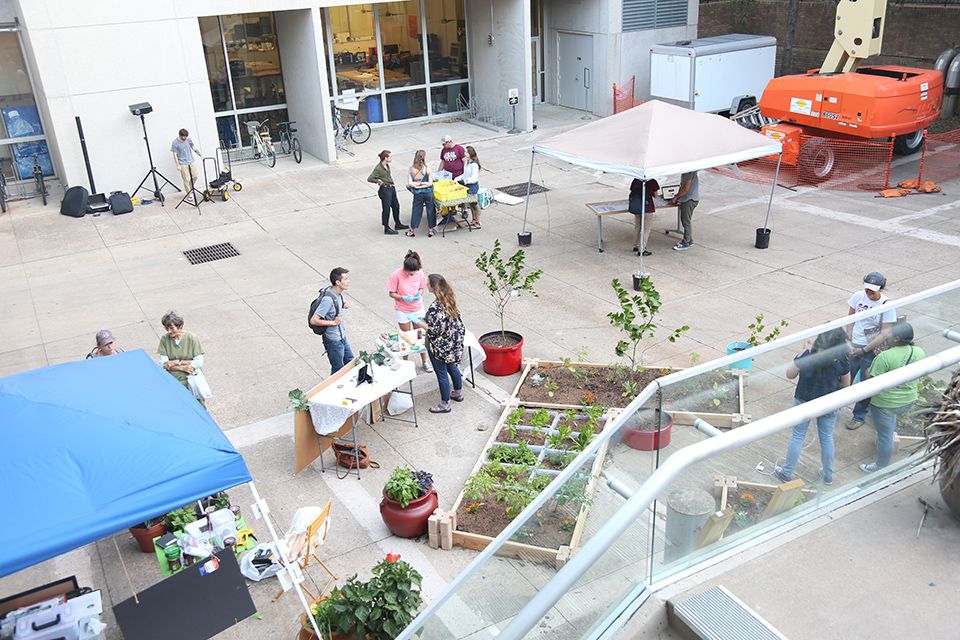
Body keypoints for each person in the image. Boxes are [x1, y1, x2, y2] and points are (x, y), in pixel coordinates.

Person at [774, 328, 851, 486]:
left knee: (798, 436)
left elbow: (790, 374)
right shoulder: (843, 359)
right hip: (829, 403)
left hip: (804, 400)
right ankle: (828, 475)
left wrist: (803, 351)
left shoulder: (808, 355)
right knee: (827, 438)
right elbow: (846, 384)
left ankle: (787, 472)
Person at [860, 323, 925, 473]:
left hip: (885, 403)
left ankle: (881, 467)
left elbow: (872, 379)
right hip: (908, 398)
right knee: (888, 429)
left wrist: (867, 372)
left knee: (885, 436)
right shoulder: (919, 351)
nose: (886, 336)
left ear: (896, 339)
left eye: (890, 335)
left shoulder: (885, 356)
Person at [845, 271, 898, 430]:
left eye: (872, 290)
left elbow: (886, 332)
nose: (868, 292)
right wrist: (849, 338)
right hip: (854, 343)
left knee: (865, 383)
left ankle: (859, 415)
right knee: (845, 376)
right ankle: (833, 408)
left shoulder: (887, 305)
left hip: (871, 349)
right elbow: (850, 317)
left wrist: (864, 349)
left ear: (881, 288)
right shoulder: (857, 296)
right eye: (867, 288)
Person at [412, 274, 465, 414]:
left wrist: (418, 322)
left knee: (441, 373)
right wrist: (427, 318)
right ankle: (458, 392)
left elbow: (435, 330)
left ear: (433, 287)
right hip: (452, 344)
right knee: (452, 366)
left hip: (439, 346)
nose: (426, 285)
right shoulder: (449, 299)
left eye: (428, 283)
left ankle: (445, 404)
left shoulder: (436, 307)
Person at [387, 250, 432, 373]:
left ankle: (424, 361)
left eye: (414, 273)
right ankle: (405, 362)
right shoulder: (396, 275)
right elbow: (391, 293)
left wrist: (419, 294)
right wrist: (402, 297)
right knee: (405, 336)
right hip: (403, 309)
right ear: (405, 269)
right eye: (409, 273)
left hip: (417, 308)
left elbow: (421, 287)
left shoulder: (419, 272)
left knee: (420, 335)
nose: (412, 275)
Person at [157, 311, 207, 405]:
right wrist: (183, 367)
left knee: (198, 405)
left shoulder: (192, 338)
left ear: (180, 326)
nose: (169, 331)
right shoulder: (164, 339)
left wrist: (176, 362)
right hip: (174, 379)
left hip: (192, 378)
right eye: (166, 328)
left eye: (171, 328)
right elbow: (163, 364)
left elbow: (198, 362)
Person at [310, 267, 354, 374]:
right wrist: (333, 323)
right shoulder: (328, 300)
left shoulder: (336, 293)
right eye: (346, 279)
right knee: (337, 370)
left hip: (341, 336)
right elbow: (314, 320)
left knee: (351, 362)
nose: (348, 281)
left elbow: (335, 303)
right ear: (338, 282)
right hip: (333, 340)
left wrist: (342, 304)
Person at [368, 150, 408, 235]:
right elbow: (370, 178)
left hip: (391, 188)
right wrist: (378, 181)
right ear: (385, 158)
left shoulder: (387, 165)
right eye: (390, 157)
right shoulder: (378, 168)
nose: (391, 158)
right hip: (385, 190)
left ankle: (398, 223)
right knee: (386, 209)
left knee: (396, 206)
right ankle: (386, 228)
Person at [407, 150, 436, 237]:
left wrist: (418, 185)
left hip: (417, 193)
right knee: (430, 210)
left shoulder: (412, 169)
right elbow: (430, 183)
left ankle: (412, 230)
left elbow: (410, 183)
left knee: (416, 210)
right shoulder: (428, 168)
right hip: (428, 192)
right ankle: (431, 230)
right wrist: (424, 184)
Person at [629, 178, 660, 256]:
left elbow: (632, 191)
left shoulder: (635, 180)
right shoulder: (652, 181)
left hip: (637, 206)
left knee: (637, 227)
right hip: (647, 207)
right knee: (646, 229)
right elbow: (656, 195)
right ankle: (642, 249)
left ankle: (635, 245)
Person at [670, 171, 699, 251]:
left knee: (686, 221)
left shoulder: (688, 173)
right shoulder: (691, 172)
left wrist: (676, 197)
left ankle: (687, 242)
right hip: (688, 198)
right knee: (685, 220)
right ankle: (689, 239)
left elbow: (686, 188)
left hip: (689, 200)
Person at [456, 146, 482, 229]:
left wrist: (466, 181)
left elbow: (474, 177)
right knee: (471, 204)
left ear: (470, 154)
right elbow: (465, 174)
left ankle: (478, 222)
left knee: (475, 204)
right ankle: (473, 220)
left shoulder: (474, 165)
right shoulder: (467, 163)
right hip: (467, 186)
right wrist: (458, 178)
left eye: (466, 152)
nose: (464, 153)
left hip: (472, 186)